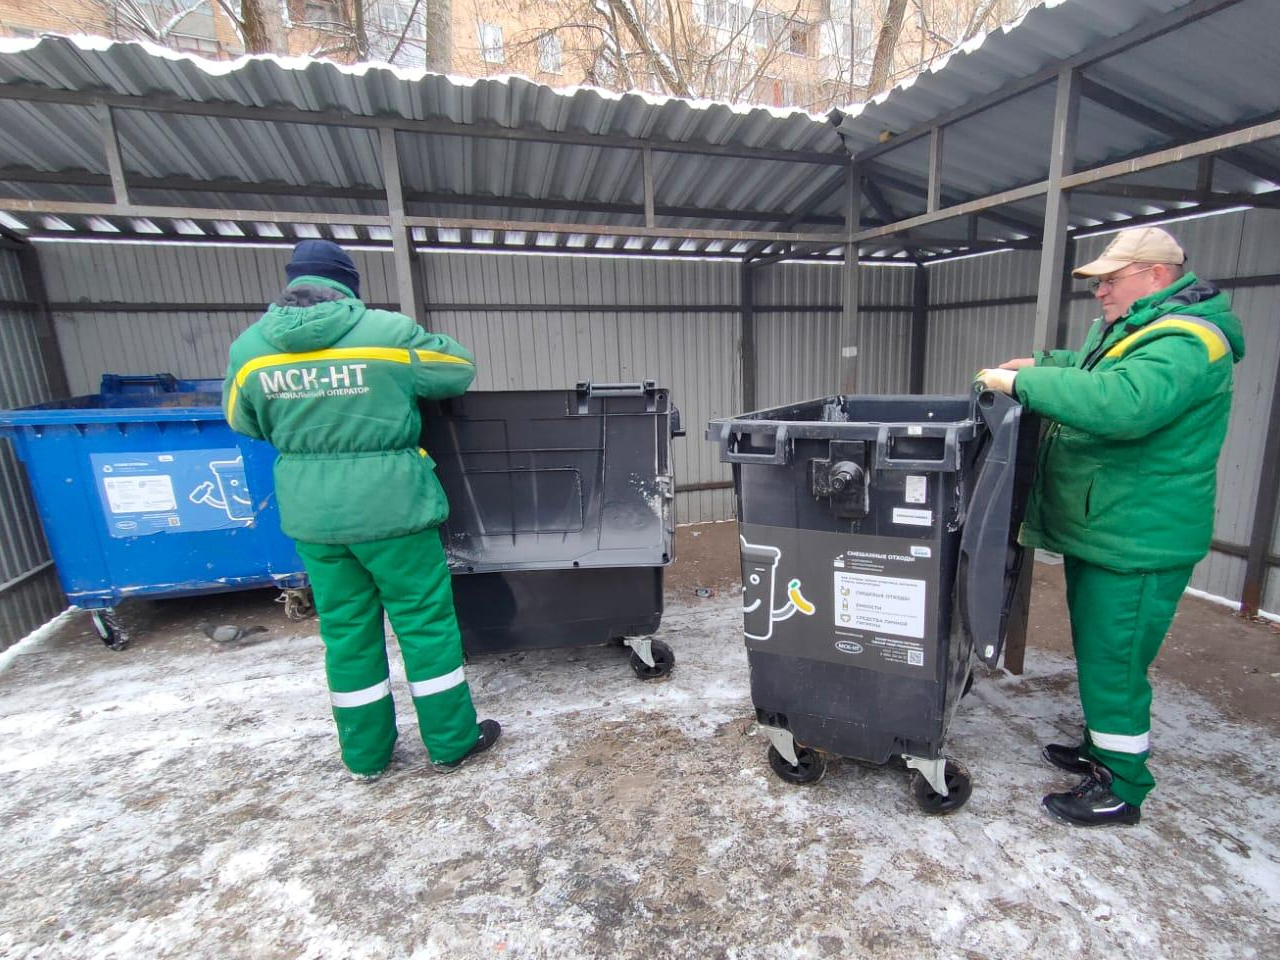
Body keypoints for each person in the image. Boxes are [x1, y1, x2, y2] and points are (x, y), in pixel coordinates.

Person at [976, 226, 1244, 827]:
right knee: (1102, 651)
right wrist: (1045, 364)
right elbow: (1098, 370)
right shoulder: (1142, 330)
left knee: (1115, 662)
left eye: (1111, 279)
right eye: (1098, 281)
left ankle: (1121, 786)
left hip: (1139, 538)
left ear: (1155, 274)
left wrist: (1024, 383)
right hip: (1112, 526)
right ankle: (1101, 751)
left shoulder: (1187, 340)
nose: (1100, 291)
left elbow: (1122, 404)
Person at [223, 239, 500, 781]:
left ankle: (366, 756)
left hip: (315, 517)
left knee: (347, 633)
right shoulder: (385, 334)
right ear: (348, 285)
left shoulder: (250, 349)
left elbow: (243, 420)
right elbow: (457, 369)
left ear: (292, 283)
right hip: (393, 508)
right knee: (424, 624)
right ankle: (450, 742)